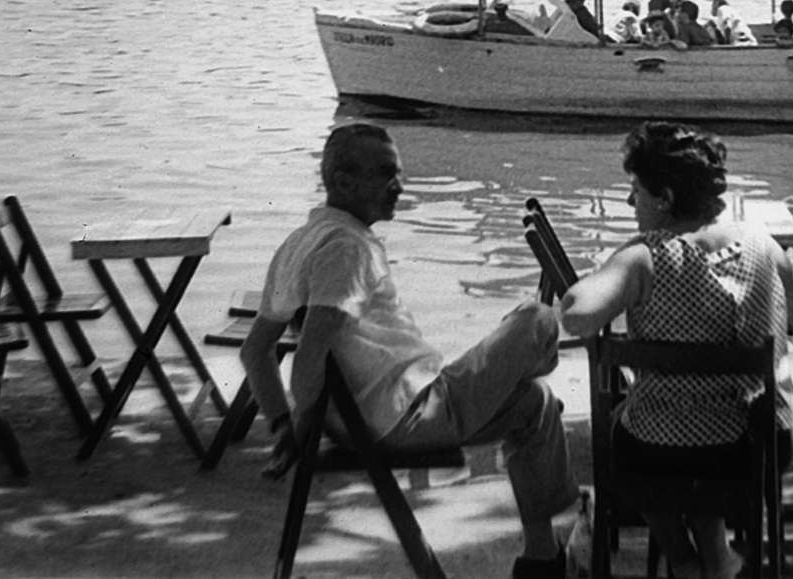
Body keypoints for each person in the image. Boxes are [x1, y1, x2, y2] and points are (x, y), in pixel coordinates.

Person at [241, 124, 574, 579]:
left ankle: (542, 557)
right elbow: (311, 351)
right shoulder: (348, 248)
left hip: (371, 419)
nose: (399, 185)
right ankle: (538, 378)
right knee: (538, 317)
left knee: (534, 402)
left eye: (398, 172)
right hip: (410, 414)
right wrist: (300, 426)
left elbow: (255, 350)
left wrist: (281, 424)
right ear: (342, 182)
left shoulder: (300, 242)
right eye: (385, 174)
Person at [561, 123, 793, 579]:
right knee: (700, 422)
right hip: (758, 449)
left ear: (664, 197)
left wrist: (624, 259)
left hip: (660, 455)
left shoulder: (645, 257)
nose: (630, 201)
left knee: (628, 425)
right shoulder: (762, 243)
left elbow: (577, 315)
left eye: (636, 189)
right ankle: (717, 560)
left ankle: (684, 561)